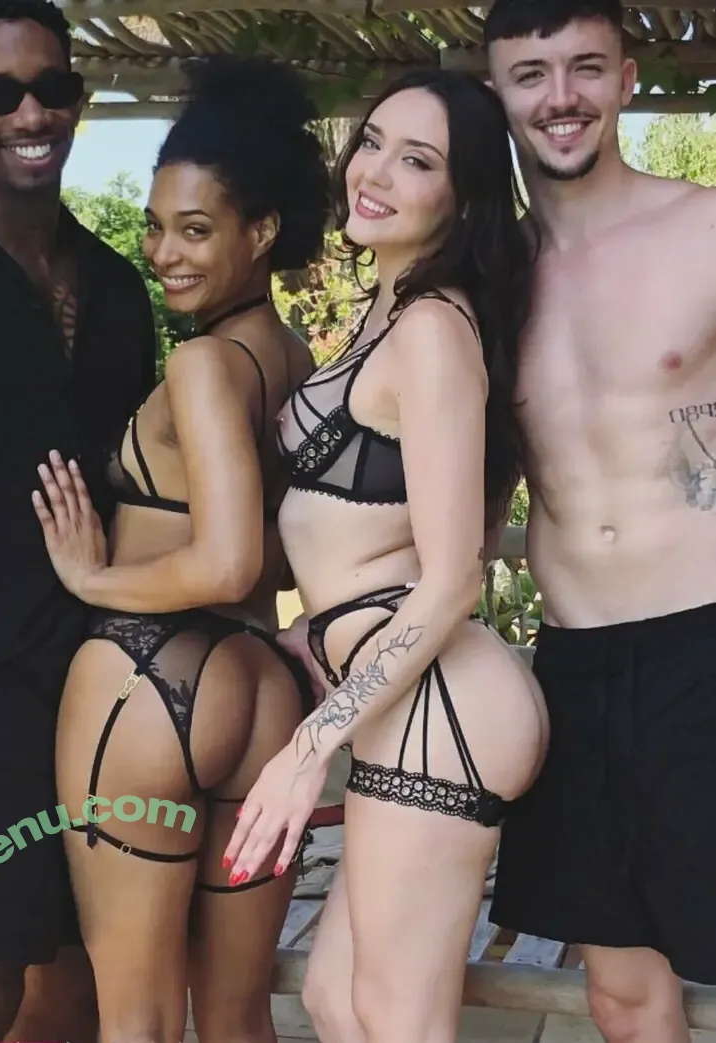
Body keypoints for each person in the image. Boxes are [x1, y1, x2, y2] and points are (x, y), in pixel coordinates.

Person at [224, 68, 549, 1043]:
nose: (373, 171)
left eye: (416, 160)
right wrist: (318, 633)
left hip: (439, 707)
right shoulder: (387, 314)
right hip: (401, 699)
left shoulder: (433, 330)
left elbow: (452, 575)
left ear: (462, 196)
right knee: (335, 1000)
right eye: (370, 141)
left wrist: (306, 747)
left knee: (397, 1019)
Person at [30, 55, 330, 1043]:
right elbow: (278, 558)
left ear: (262, 231)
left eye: (195, 229)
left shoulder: (203, 364)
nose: (164, 252)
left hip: (146, 676)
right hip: (260, 687)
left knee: (139, 1022)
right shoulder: (295, 361)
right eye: (156, 226)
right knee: (240, 1018)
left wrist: (93, 575)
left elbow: (229, 558)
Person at [0, 0, 158, 1037]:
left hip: (103, 672)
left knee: (81, 972)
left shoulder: (118, 288)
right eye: (0, 93)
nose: (32, 114)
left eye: (54, 87)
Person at [483, 1, 716, 1040]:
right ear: (498, 93)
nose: (560, 96)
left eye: (584, 67)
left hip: (702, 638)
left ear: (626, 79)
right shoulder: (490, 274)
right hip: (572, 660)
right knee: (620, 991)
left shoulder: (701, 227)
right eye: (530, 74)